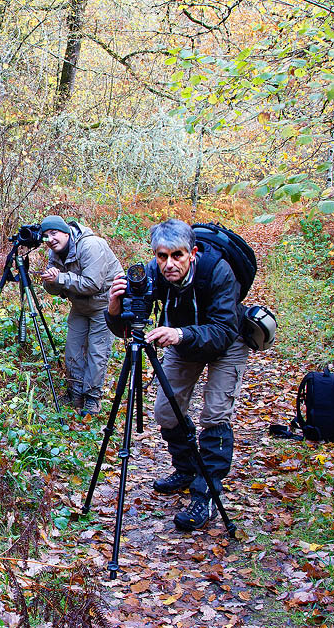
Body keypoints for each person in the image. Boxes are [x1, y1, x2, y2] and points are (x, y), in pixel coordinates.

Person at [105, 219, 248, 532]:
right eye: (161, 256)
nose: (168, 264)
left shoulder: (218, 272)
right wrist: (115, 308)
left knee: (215, 414)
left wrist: (181, 334)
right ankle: (186, 469)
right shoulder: (151, 274)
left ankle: (205, 495)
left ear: (192, 253)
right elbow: (130, 327)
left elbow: (224, 330)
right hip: (181, 338)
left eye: (177, 256)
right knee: (166, 412)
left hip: (225, 341)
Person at [38, 215, 124, 416]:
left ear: (66, 232)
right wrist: (50, 281)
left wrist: (60, 278)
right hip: (79, 305)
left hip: (104, 305)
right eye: (46, 236)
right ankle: (75, 393)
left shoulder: (90, 245)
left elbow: (93, 283)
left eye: (54, 233)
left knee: (97, 352)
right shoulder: (56, 254)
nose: (50, 240)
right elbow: (53, 289)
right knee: (72, 349)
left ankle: (92, 399)